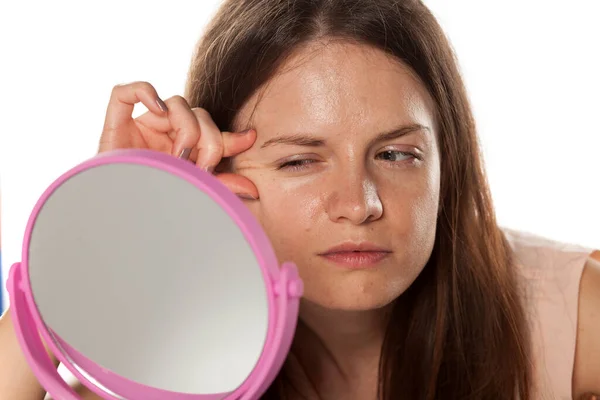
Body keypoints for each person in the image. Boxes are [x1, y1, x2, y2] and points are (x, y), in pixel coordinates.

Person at [1, 0, 599, 399]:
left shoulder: (564, 307)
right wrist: (105, 227)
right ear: (220, 170)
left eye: (395, 155)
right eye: (299, 161)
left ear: (450, 162)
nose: (359, 204)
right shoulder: (157, 336)